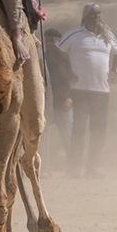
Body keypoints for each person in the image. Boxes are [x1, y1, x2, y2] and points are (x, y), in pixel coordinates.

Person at [56, 4, 117, 178]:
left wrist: (114, 71)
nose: (96, 16)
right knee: (79, 129)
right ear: (85, 17)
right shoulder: (75, 34)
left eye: (99, 13)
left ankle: (93, 167)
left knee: (98, 129)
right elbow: (58, 51)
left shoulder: (108, 36)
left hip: (102, 91)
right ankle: (75, 167)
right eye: (93, 14)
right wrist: (67, 72)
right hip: (80, 90)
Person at [42, 27, 74, 167]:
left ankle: (72, 167)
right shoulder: (41, 58)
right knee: (43, 137)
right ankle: (44, 168)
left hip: (63, 103)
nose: (49, 42)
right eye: (47, 40)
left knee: (68, 136)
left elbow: (74, 79)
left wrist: (70, 98)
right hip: (46, 103)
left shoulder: (67, 58)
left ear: (59, 41)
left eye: (52, 40)